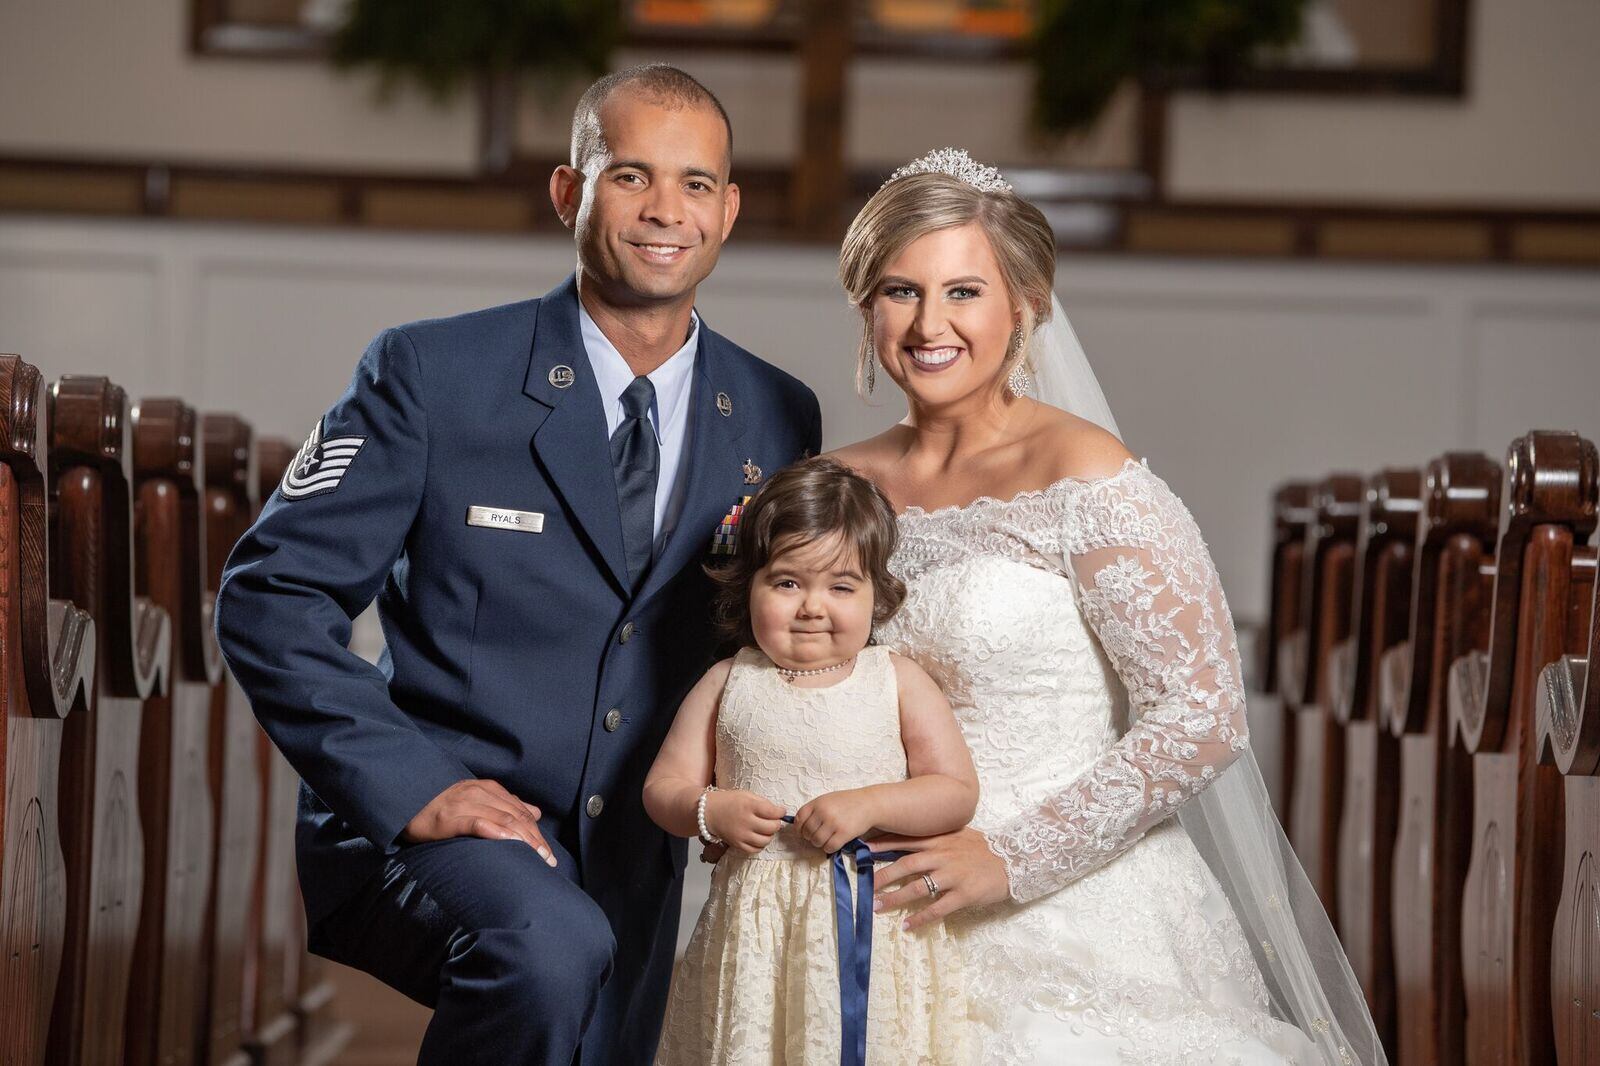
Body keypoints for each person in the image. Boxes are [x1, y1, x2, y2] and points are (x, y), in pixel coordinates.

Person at [214, 64, 821, 1065]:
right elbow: (271, 597)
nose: (665, 210)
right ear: (568, 192)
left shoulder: (774, 412)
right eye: (630, 176)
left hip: (637, 850)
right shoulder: (433, 373)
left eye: (696, 183)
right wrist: (412, 787)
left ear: (729, 209)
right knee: (547, 945)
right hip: (430, 819)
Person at [828, 150, 1386, 1064]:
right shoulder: (838, 483)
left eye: (964, 292)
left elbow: (1202, 716)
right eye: (901, 291)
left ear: (1027, 305)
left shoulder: (1088, 476)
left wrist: (1012, 858)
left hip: (1072, 902)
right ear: (867, 307)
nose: (931, 324)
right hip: (872, 884)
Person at [646, 457, 977, 1065]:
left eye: (841, 587)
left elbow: (955, 790)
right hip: (755, 929)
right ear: (748, 586)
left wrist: (872, 803)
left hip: (870, 921)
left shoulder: (895, 680)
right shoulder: (729, 681)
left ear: (878, 594)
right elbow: (663, 786)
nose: (812, 607)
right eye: (787, 583)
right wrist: (708, 809)